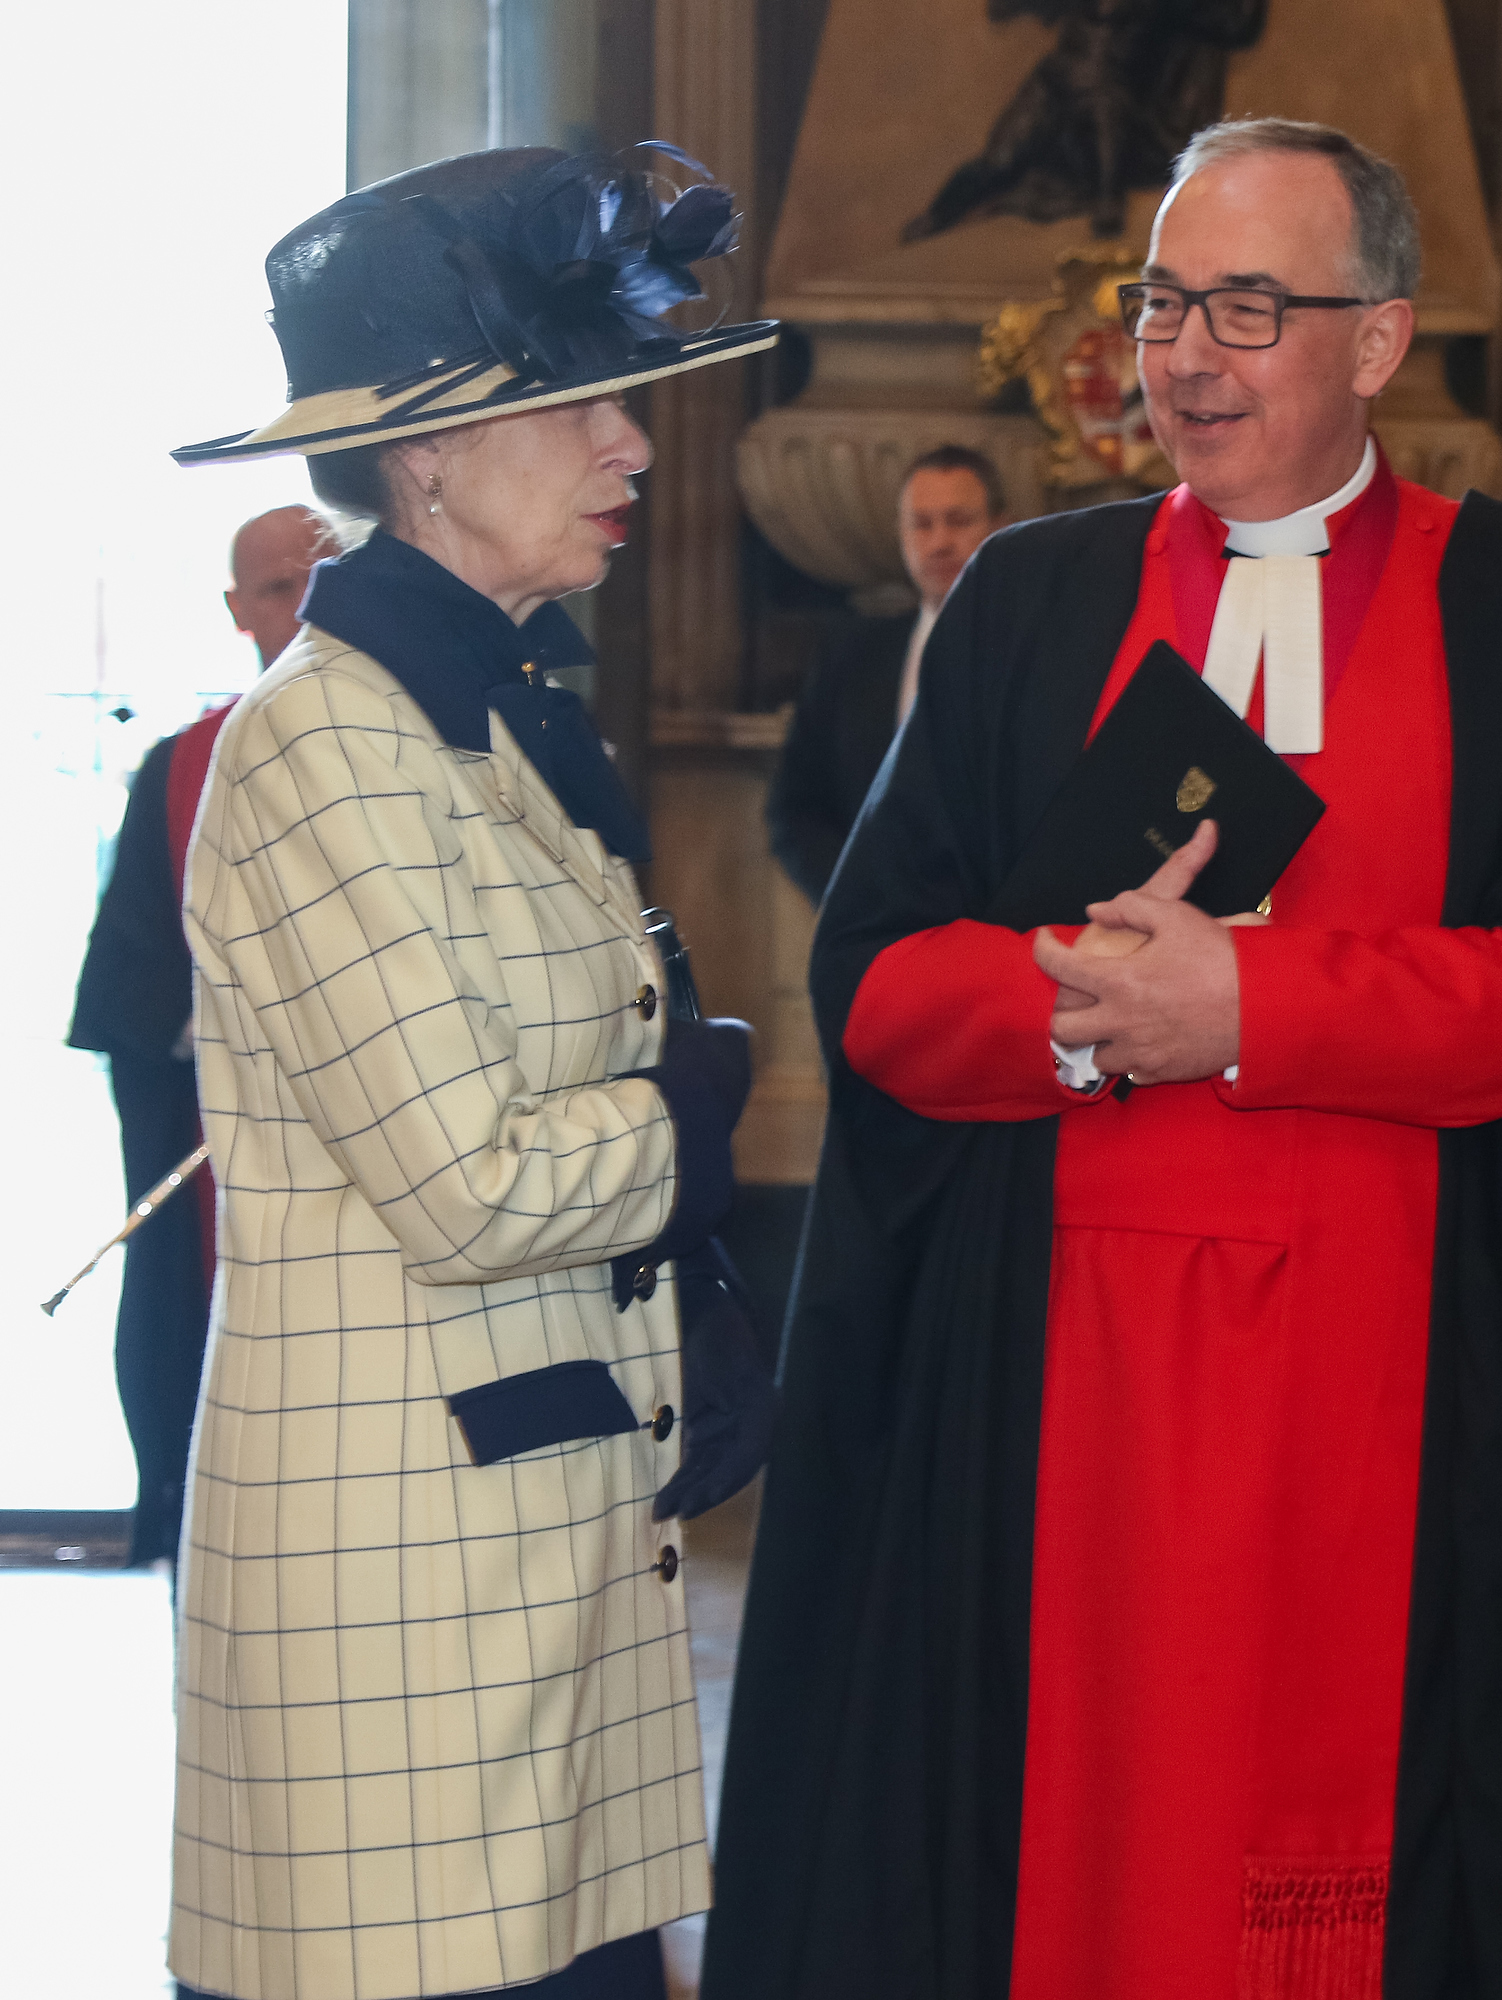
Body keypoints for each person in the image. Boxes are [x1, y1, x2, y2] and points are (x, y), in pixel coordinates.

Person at [704, 118, 1502, 1999]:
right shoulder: (1027, 601)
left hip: (1398, 1380)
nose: (1184, 355)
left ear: (1381, 341)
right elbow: (885, 979)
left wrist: (1256, 1007)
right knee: (1084, 1841)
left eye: (1248, 308)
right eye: (1167, 303)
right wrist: (1087, 1012)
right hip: (1067, 1386)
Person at [163, 143, 776, 2000]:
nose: (636, 452)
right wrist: (690, 1112)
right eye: (586, 408)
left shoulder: (479, 718)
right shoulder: (327, 747)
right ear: (424, 455)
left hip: (520, 1599)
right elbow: (473, 1180)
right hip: (401, 1632)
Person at [69, 504, 333, 1570]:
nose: (303, 605)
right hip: (213, 1125)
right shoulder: (179, 768)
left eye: (322, 579)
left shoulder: (420, 738)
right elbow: (129, 985)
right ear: (238, 611)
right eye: (277, 588)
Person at [763, 444, 1005, 905]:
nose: (939, 542)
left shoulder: (1038, 651)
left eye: (958, 521)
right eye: (921, 523)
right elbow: (794, 808)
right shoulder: (851, 657)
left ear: (1000, 525)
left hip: (1007, 937)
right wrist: (854, 899)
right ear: (901, 533)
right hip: (874, 938)